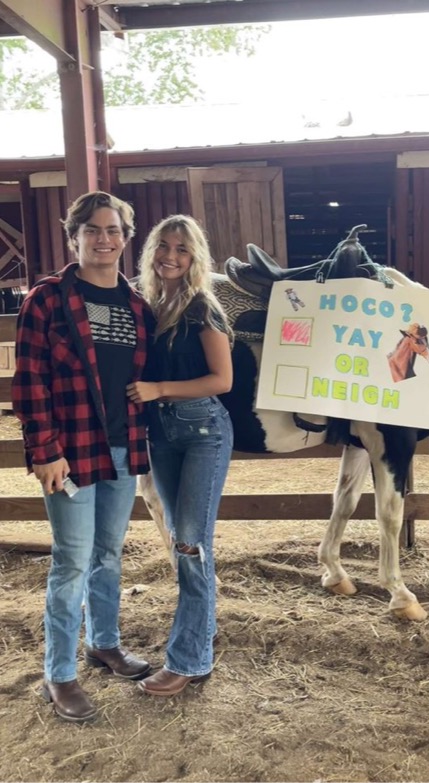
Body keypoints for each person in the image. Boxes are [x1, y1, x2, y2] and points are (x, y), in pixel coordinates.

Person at [11, 191, 153, 723]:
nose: (104, 239)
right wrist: (44, 451)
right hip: (68, 452)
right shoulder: (46, 299)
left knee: (109, 554)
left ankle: (104, 642)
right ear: (75, 237)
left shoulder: (138, 305)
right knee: (71, 560)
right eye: (92, 230)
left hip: (121, 447)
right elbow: (30, 383)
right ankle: (59, 672)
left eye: (113, 230)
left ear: (125, 237)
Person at [126, 214, 233, 697]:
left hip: (202, 431)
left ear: (194, 258)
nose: (171, 256)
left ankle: (187, 659)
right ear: (151, 251)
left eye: (182, 249)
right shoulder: (147, 304)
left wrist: (158, 389)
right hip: (162, 435)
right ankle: (201, 643)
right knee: (183, 542)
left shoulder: (201, 308)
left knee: (190, 544)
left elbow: (222, 380)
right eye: (163, 246)